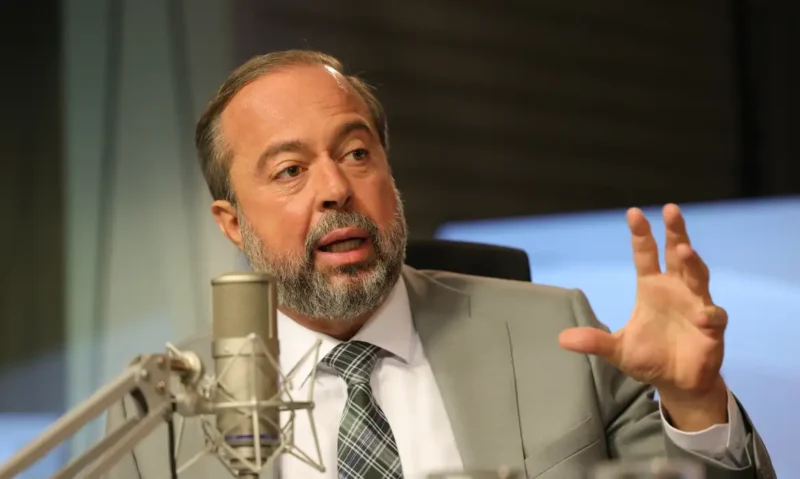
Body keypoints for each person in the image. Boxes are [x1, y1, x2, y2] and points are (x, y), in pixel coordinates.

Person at [104, 50, 774, 479]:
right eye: (290, 170)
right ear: (232, 223)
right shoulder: (159, 414)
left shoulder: (558, 335)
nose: (336, 188)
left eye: (357, 153)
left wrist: (693, 403)